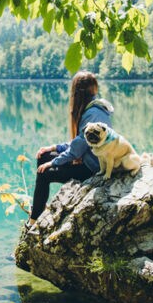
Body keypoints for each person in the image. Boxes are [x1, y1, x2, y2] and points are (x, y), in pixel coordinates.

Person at [30, 71, 113, 224]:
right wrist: (53, 147)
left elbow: (76, 150)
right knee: (43, 156)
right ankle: (38, 207)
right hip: (88, 160)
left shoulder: (93, 114)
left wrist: (53, 163)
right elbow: (79, 142)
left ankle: (34, 220)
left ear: (77, 92)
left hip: (93, 168)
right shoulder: (92, 108)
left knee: (44, 172)